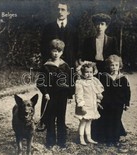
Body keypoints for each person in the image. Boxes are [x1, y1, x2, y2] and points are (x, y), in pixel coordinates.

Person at [38, 1, 78, 131]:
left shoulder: (73, 29)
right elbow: (43, 46)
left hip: (66, 66)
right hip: (51, 65)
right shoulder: (49, 27)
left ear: (68, 12)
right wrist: (47, 61)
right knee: (48, 92)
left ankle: (61, 120)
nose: (60, 12)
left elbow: (76, 48)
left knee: (62, 93)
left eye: (63, 9)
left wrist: (74, 63)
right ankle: (44, 120)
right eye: (58, 9)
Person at [36, 39, 73, 148]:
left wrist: (70, 95)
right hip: (50, 96)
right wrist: (45, 93)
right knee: (50, 118)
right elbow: (40, 82)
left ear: (62, 52)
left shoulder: (65, 66)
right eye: (54, 51)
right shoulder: (46, 66)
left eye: (59, 51)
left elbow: (70, 81)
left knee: (61, 119)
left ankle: (62, 141)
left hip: (62, 96)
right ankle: (50, 141)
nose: (56, 53)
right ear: (50, 51)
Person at [96, 55, 131, 149]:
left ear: (120, 66)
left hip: (118, 104)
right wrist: (98, 101)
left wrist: (126, 103)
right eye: (112, 65)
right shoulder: (104, 77)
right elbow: (99, 89)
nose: (114, 67)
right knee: (107, 119)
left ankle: (115, 139)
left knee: (116, 120)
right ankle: (108, 139)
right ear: (108, 66)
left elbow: (127, 92)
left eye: (116, 65)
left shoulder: (123, 78)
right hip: (106, 103)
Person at [75, 62, 104, 145]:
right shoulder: (80, 82)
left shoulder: (94, 81)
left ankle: (89, 137)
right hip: (84, 105)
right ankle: (81, 138)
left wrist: (98, 99)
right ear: (82, 73)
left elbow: (97, 92)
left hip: (92, 105)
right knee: (83, 122)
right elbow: (79, 95)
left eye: (91, 72)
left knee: (89, 122)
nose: (89, 74)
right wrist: (81, 105)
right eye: (86, 72)